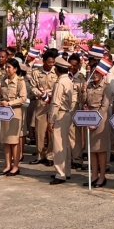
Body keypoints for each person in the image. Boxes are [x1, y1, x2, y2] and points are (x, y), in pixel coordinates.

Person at [82, 61, 113, 187]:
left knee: (100, 149)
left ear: (102, 73)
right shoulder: (89, 85)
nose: (94, 75)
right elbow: (83, 102)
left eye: (97, 72)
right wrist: (84, 91)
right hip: (89, 116)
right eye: (92, 72)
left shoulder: (106, 86)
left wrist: (96, 121)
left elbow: (104, 106)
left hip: (100, 118)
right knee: (92, 149)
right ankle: (94, 175)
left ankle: (102, 177)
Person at [0, 58, 27, 176]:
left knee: (14, 141)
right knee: (6, 140)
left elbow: (23, 98)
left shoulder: (20, 81)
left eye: (9, 67)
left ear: (15, 69)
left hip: (15, 113)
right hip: (4, 113)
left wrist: (10, 103)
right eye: (6, 67)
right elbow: (0, 95)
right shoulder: (3, 80)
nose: (6, 69)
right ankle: (7, 164)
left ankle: (16, 165)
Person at [48, 56, 74, 184]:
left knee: (58, 144)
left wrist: (51, 120)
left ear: (57, 69)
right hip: (67, 113)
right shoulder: (68, 80)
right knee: (65, 145)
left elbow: (55, 102)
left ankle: (60, 173)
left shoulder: (60, 82)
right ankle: (66, 171)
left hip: (60, 114)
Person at [29, 50, 58, 166]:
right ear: (44, 61)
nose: (51, 64)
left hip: (52, 104)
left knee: (51, 131)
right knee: (39, 132)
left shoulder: (56, 72)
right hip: (40, 104)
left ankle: (50, 155)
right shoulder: (36, 72)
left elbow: (58, 86)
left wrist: (49, 93)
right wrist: (40, 93)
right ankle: (40, 154)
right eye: (49, 62)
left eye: (53, 62)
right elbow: (32, 86)